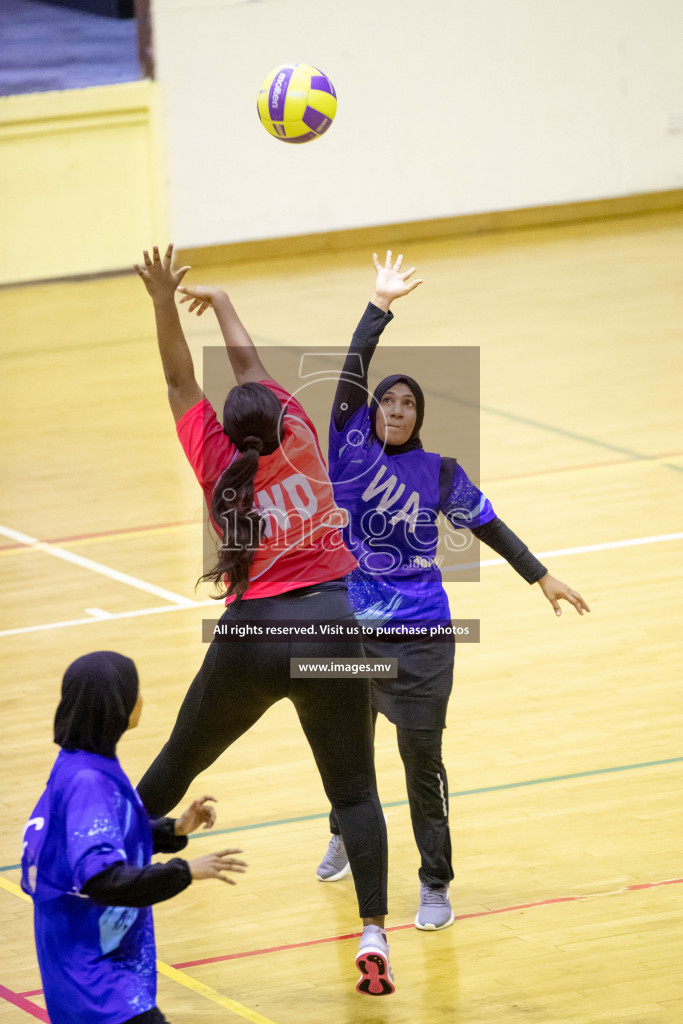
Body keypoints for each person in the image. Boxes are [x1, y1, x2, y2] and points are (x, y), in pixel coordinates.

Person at [132, 244, 394, 996]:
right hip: (336, 629)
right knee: (354, 792)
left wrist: (161, 301)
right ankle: (373, 931)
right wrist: (222, 305)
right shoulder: (304, 439)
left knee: (177, 766)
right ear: (283, 415)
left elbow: (181, 380)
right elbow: (247, 373)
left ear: (228, 432)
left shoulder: (219, 467)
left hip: (251, 641)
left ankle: (98, 862)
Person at [316, 251, 590, 931]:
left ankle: (434, 884)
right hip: (354, 632)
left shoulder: (439, 475)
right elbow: (350, 370)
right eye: (388, 401)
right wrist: (377, 308)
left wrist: (539, 575)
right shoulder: (347, 453)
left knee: (420, 762)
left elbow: (489, 525)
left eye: (409, 404)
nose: (397, 409)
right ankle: (345, 831)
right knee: (346, 750)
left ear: (419, 416)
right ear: (372, 411)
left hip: (424, 642)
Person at [21, 650, 247, 1024]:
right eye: (134, 688)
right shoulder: (88, 782)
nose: (141, 697)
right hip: (97, 977)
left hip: (87, 961)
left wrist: (173, 830)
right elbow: (103, 880)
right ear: (115, 703)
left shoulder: (82, 764)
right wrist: (185, 871)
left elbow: (96, 839)